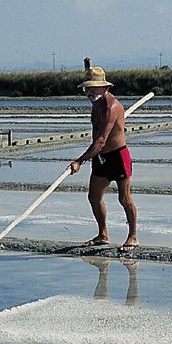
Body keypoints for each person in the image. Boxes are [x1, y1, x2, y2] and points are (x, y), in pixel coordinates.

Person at [68, 66, 139, 252]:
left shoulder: (112, 107)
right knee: (94, 197)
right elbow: (96, 136)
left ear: (104, 87)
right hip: (100, 158)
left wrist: (80, 161)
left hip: (118, 156)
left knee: (124, 198)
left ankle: (133, 236)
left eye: (93, 88)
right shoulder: (96, 104)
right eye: (86, 88)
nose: (88, 92)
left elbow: (101, 140)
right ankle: (103, 234)